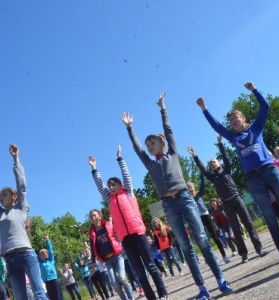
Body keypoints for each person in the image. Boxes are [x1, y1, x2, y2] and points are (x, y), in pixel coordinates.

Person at [121, 92, 232, 300]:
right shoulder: (150, 163)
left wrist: (163, 109)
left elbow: (168, 130)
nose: (149, 147)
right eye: (148, 145)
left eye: (152, 143)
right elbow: (137, 149)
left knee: (201, 239)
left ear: (162, 144)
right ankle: (202, 288)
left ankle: (220, 280)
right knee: (185, 245)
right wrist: (130, 128)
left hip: (184, 198)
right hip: (168, 204)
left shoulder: (172, 153)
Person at [196, 81, 279, 262]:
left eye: (236, 117)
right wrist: (205, 109)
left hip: (269, 170)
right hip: (253, 178)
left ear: (244, 119)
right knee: (268, 214)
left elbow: (265, 106)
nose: (233, 121)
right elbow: (217, 126)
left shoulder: (256, 128)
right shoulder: (233, 137)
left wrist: (254, 90)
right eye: (231, 120)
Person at [88, 146, 168, 300]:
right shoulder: (109, 199)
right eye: (109, 185)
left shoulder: (128, 192)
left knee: (150, 265)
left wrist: (120, 159)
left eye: (114, 184)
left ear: (120, 185)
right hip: (125, 238)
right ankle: (151, 297)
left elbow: (126, 175)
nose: (111, 187)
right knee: (139, 270)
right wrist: (94, 169)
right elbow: (100, 186)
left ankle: (162, 293)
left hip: (138, 233)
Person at [187, 135, 268, 263]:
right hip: (226, 203)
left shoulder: (226, 170)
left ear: (219, 163)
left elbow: (225, 157)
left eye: (214, 161)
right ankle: (244, 254)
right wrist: (195, 156)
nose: (212, 163)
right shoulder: (212, 177)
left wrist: (220, 144)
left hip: (236, 198)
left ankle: (259, 249)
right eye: (210, 163)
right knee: (235, 228)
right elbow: (203, 170)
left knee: (249, 224)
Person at [0, 144, 47, 299]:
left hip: (26, 255)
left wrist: (16, 159)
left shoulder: (20, 208)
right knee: (21, 298)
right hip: (10, 259)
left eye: (5, 194)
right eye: (0, 195)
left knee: (39, 293)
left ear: (14, 197)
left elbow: (21, 184)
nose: (1, 197)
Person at [88, 209, 134, 300]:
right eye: (91, 216)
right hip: (107, 260)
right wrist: (93, 267)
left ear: (99, 216)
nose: (93, 218)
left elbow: (118, 235)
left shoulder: (108, 226)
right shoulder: (92, 234)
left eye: (95, 215)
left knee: (122, 278)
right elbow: (93, 250)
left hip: (117, 256)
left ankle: (131, 298)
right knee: (115, 283)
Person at [186, 174, 231, 263]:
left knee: (215, 236)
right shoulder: (187, 199)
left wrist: (202, 175)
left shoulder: (199, 194)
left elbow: (203, 184)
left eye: (191, 187)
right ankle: (212, 258)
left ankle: (224, 255)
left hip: (205, 215)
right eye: (188, 188)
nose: (190, 189)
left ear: (194, 187)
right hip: (197, 218)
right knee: (204, 238)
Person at [38, 233, 64, 300]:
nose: (42, 255)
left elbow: (50, 250)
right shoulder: (40, 263)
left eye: (43, 253)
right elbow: (34, 255)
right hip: (47, 282)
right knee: (52, 297)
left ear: (47, 254)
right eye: (40, 254)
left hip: (54, 280)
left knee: (58, 296)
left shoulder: (50, 260)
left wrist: (47, 240)